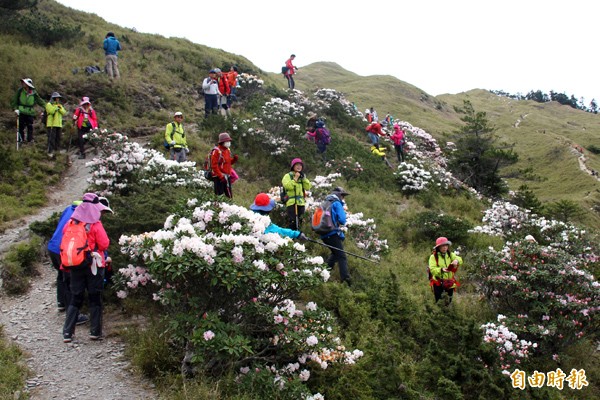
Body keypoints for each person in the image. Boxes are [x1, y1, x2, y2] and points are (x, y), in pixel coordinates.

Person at [62, 193, 111, 342]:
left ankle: (67, 333)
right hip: (94, 265)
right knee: (94, 297)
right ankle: (95, 332)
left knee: (76, 297)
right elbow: (104, 244)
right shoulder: (95, 224)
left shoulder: (71, 222)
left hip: (76, 265)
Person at [47, 200, 89, 328]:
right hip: (65, 250)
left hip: (53, 246)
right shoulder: (83, 217)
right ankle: (73, 315)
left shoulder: (68, 209)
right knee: (70, 280)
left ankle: (61, 303)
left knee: (61, 275)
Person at [320, 187, 351, 285]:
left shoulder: (325, 202)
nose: (343, 198)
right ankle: (345, 280)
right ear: (339, 195)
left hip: (323, 234)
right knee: (342, 256)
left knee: (335, 254)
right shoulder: (337, 203)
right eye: (343, 196)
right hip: (332, 233)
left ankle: (324, 275)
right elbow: (342, 220)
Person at [428, 237, 463, 305]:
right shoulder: (433, 257)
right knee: (439, 303)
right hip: (438, 284)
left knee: (448, 302)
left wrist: (457, 260)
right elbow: (432, 269)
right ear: (438, 247)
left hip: (449, 283)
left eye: (446, 245)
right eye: (443, 246)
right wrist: (441, 270)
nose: (445, 247)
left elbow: (460, 259)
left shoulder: (450, 254)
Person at [11, 78, 45, 143]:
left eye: (25, 83)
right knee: (21, 127)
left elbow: (39, 100)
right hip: (21, 111)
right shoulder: (20, 91)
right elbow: (15, 100)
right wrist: (15, 108)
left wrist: (47, 106)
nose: (23, 84)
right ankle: (21, 140)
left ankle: (30, 140)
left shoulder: (33, 92)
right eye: (23, 82)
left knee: (30, 126)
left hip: (30, 112)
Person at [282, 158, 311, 230]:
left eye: (300, 165)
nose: (299, 167)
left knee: (300, 221)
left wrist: (303, 179)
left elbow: (308, 187)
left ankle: (299, 237)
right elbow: (288, 186)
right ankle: (292, 237)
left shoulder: (302, 177)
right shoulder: (287, 176)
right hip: (291, 202)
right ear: (293, 166)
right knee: (293, 221)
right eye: (297, 165)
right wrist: (295, 178)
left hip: (301, 203)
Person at [210, 132, 238, 198]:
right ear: (222, 142)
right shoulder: (217, 151)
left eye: (229, 141)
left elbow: (228, 163)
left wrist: (234, 159)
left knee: (229, 196)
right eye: (227, 141)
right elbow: (214, 166)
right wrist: (220, 176)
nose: (229, 143)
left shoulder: (227, 150)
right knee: (219, 196)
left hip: (227, 176)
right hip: (219, 178)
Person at [45, 92, 67, 158]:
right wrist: (56, 108)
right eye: (56, 98)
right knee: (51, 138)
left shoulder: (59, 105)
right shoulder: (49, 104)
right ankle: (50, 151)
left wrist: (59, 108)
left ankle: (57, 150)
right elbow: (51, 111)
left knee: (58, 138)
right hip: (51, 124)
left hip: (58, 124)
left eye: (58, 98)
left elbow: (64, 112)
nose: (58, 99)